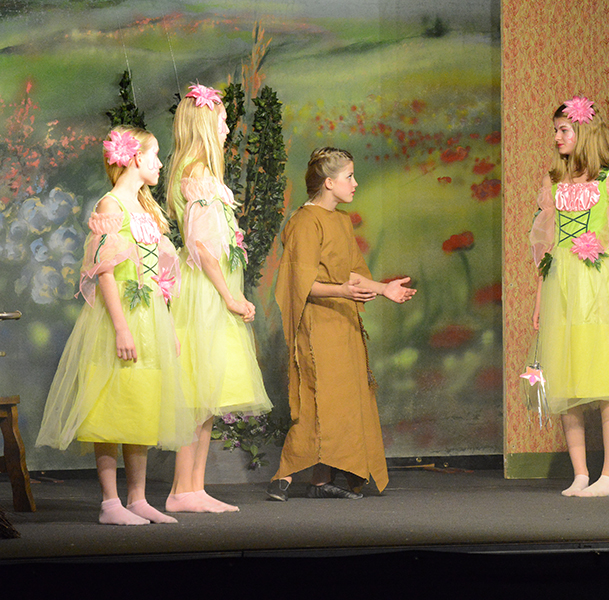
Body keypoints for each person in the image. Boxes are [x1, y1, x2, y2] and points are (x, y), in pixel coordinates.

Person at [36, 126, 192, 525]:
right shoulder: (111, 205)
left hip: (149, 316)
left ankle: (138, 498)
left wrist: (166, 325)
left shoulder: (144, 207)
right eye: (155, 155)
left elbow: (156, 277)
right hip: (118, 316)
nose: (160, 164)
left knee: (140, 403)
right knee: (110, 404)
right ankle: (110, 502)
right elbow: (104, 271)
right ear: (136, 158)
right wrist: (121, 328)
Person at [529, 96, 609, 498]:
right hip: (562, 288)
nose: (557, 137)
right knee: (565, 379)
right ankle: (581, 474)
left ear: (583, 132)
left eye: (564, 130)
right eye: (555, 131)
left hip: (598, 285)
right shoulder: (554, 183)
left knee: (607, 379)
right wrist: (539, 298)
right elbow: (547, 247)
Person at [267, 147, 416, 501]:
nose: (355, 183)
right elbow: (301, 284)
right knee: (319, 399)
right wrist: (342, 291)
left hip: (343, 322)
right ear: (328, 182)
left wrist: (383, 289)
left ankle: (321, 481)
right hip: (317, 325)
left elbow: (350, 274)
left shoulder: (341, 221)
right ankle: (283, 476)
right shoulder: (305, 221)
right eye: (349, 176)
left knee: (346, 401)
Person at [165, 84, 272, 513]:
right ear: (206, 125)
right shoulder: (198, 175)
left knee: (206, 394)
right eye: (223, 121)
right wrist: (229, 295)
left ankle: (193, 488)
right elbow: (200, 245)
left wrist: (233, 290)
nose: (228, 129)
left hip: (214, 289)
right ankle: (181, 488)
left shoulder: (203, 174)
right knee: (196, 391)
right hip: (205, 293)